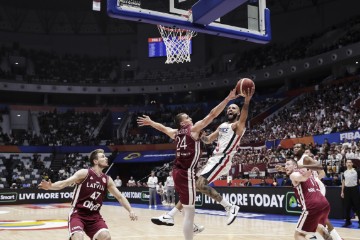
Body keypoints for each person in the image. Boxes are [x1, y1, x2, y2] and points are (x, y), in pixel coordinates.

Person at [137, 88, 239, 240]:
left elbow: (162, 128)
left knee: (187, 205)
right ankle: (189, 227)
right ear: (183, 122)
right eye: (188, 117)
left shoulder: (175, 133)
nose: (190, 118)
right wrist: (227, 99)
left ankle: (177, 219)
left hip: (176, 172)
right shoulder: (194, 129)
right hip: (187, 173)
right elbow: (212, 115)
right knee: (190, 212)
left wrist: (151, 122)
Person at [38, 149, 137, 240]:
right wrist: (50, 186)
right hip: (78, 214)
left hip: (94, 216)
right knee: (78, 237)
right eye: (102, 156)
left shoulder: (107, 179)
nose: (106, 158)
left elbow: (119, 196)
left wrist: (130, 210)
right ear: (95, 161)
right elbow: (65, 183)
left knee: (106, 236)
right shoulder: (84, 173)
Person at [293, 144, 342, 240]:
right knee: (319, 221)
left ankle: (336, 238)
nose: (296, 149)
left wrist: (313, 181)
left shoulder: (305, 159)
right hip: (311, 189)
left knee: (318, 221)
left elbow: (322, 173)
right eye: (294, 147)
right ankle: (334, 238)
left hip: (316, 189)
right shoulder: (297, 162)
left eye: (298, 147)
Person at [284, 159, 332, 240]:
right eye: (285, 165)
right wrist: (310, 169)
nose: (285, 167)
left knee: (299, 235)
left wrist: (307, 171)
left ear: (295, 166)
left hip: (312, 206)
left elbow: (302, 178)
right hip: (324, 204)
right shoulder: (311, 174)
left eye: (288, 164)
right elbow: (321, 173)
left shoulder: (293, 175)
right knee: (317, 227)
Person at [341, 159, 360, 228]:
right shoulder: (345, 172)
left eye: (350, 162)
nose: (348, 164)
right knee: (347, 207)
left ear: (352, 164)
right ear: (346, 164)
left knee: (357, 206)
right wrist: (342, 191)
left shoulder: (357, 171)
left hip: (354, 189)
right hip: (347, 190)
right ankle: (348, 222)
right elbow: (343, 182)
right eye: (347, 162)